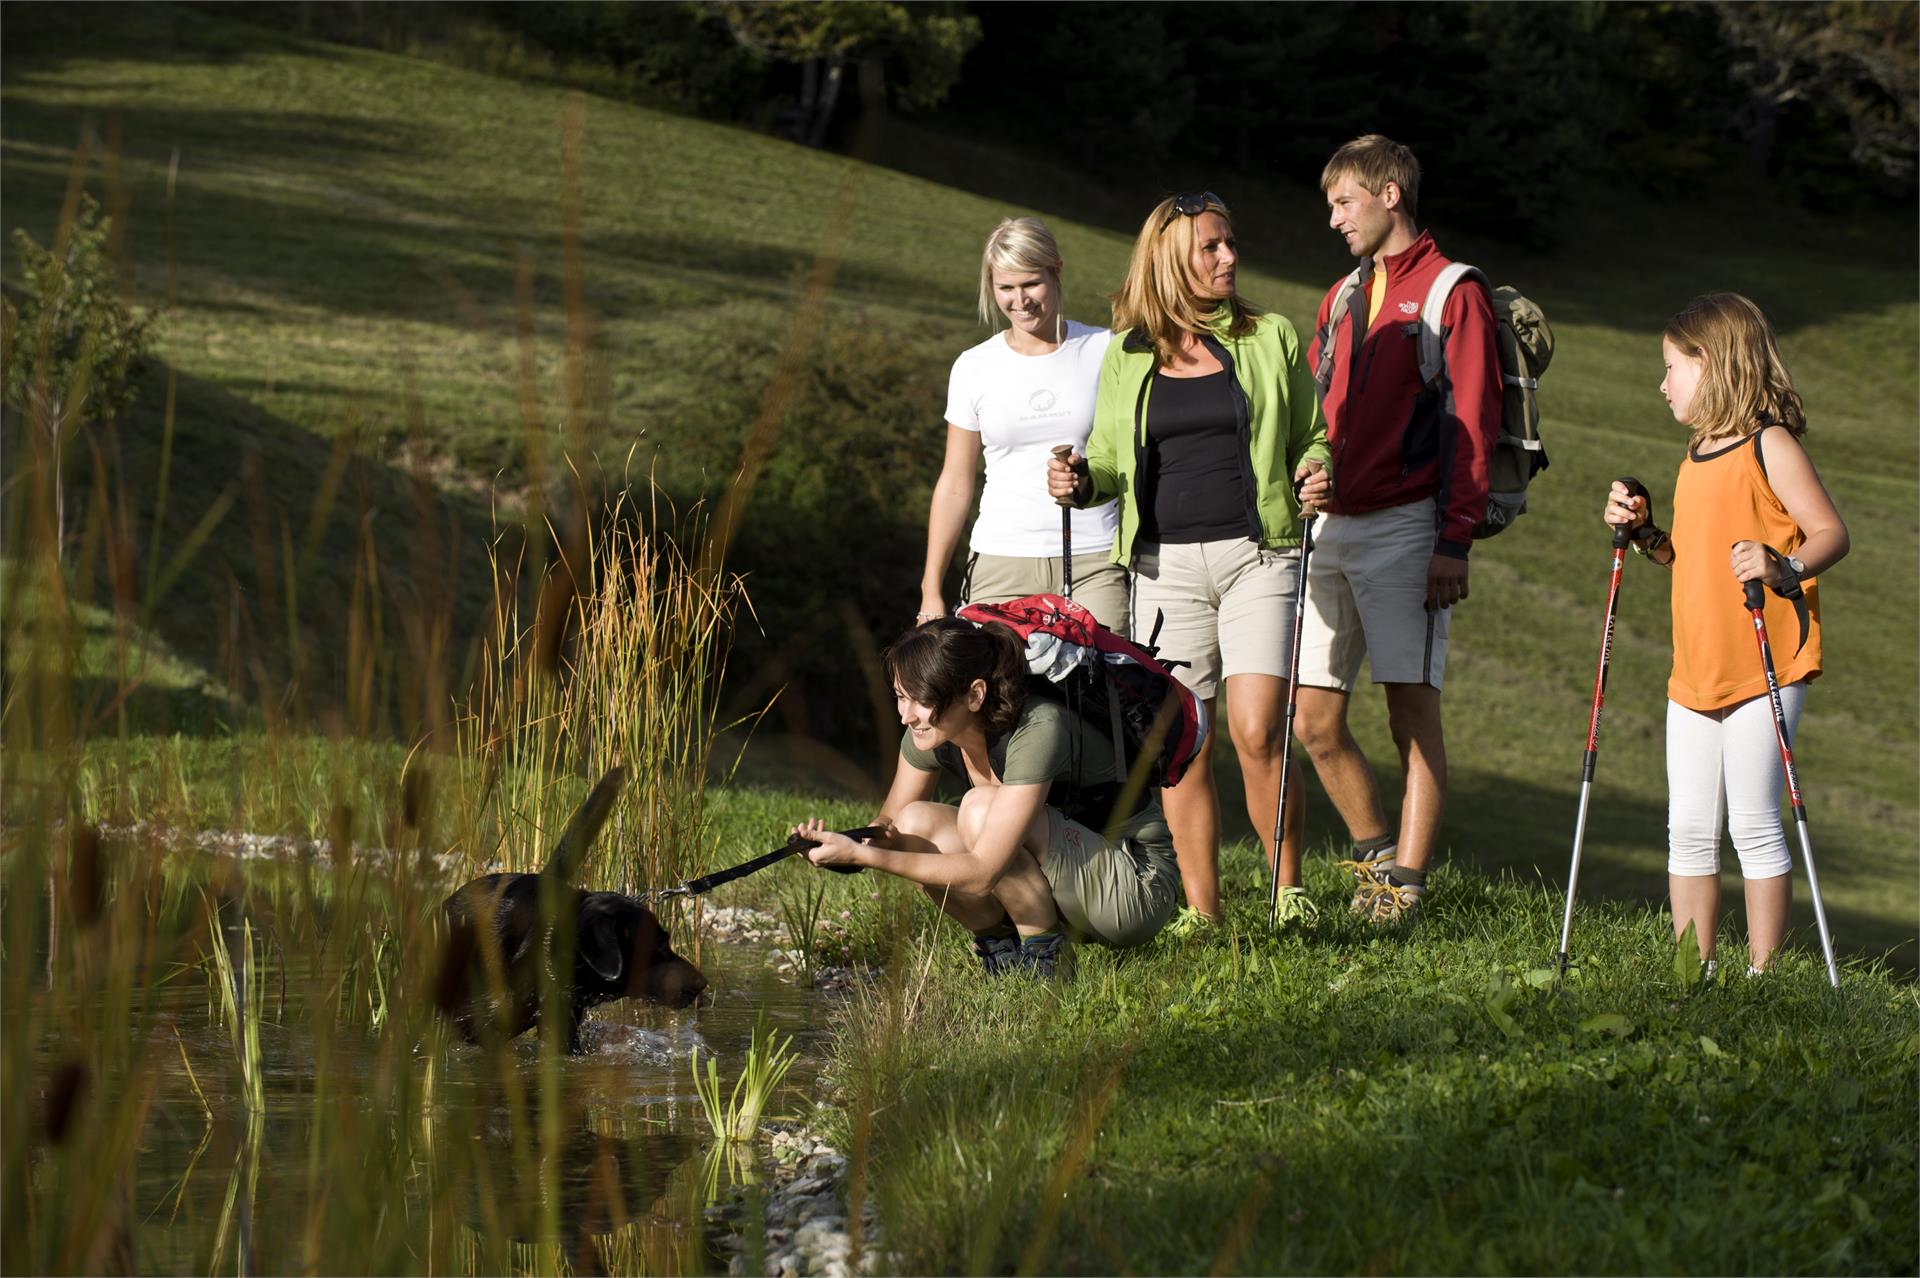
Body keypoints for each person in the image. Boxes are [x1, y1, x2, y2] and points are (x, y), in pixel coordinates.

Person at [1045, 192, 1329, 932]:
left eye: (1230, 243)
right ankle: (1204, 911)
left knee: (1259, 729)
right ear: (1172, 259)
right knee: (1183, 744)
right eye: (1212, 247)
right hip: (1163, 568)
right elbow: (1107, 460)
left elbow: (1312, 433)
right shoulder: (1128, 354)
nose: (1229, 257)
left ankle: (1286, 892)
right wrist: (1080, 481)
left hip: (1256, 556)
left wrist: (1316, 468)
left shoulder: (1271, 336)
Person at [1603, 292, 1847, 975]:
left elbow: (1831, 532)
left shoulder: (1769, 445)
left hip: (1764, 665)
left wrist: (1785, 566)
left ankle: (1763, 976)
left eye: (1672, 368)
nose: (1662, 383)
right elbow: (1690, 555)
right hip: (1696, 669)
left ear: (1709, 364)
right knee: (1687, 830)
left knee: (1754, 824)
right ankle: (1694, 973)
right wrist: (1644, 533)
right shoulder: (1697, 454)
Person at [1294, 135, 1501, 925]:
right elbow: (1321, 414)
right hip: (1333, 527)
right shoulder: (1341, 296)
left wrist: (1454, 541)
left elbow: (1472, 428)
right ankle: (1376, 858)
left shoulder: (1454, 292)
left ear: (1388, 193)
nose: (1336, 219)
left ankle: (1404, 888)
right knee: (1314, 718)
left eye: (1344, 202)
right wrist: (1311, 465)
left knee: (1410, 710)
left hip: (1409, 528)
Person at [793, 618, 1181, 976]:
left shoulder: (1038, 727)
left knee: (979, 809)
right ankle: (1004, 951)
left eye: (919, 700)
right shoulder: (928, 732)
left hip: (1133, 884)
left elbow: (983, 873)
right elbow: (887, 828)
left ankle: (1047, 958)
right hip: (1069, 874)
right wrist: (842, 848)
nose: (905, 715)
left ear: (975, 694)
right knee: (912, 825)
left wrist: (864, 855)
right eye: (899, 696)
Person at [918, 218, 1126, 632]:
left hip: (1095, 559)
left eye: (1031, 283)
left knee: (1101, 694)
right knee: (998, 695)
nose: (1020, 300)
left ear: (1056, 271)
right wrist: (930, 588)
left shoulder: (1106, 349)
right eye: (1005, 288)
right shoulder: (973, 367)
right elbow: (956, 481)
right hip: (1000, 562)